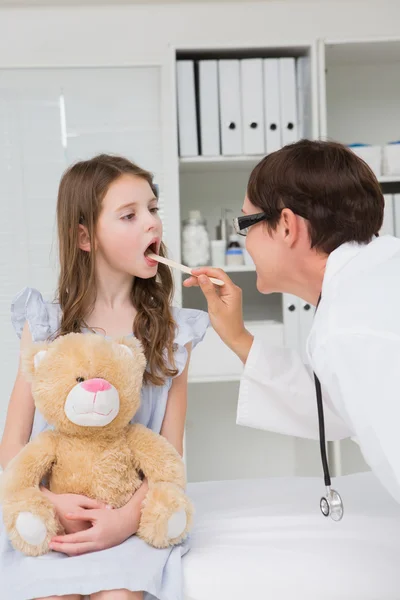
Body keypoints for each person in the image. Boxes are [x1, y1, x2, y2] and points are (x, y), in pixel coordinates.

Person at [0, 154, 209, 600]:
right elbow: (13, 447)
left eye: (153, 209)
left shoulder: (174, 334)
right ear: (84, 236)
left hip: (130, 520)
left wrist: (126, 520)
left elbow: (169, 455)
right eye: (130, 215)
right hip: (52, 518)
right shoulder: (44, 324)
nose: (152, 224)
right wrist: (51, 502)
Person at [184, 139, 400, 505]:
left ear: (286, 225)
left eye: (245, 223)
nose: (246, 243)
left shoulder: (352, 327)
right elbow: (338, 406)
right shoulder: (371, 281)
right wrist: (238, 337)